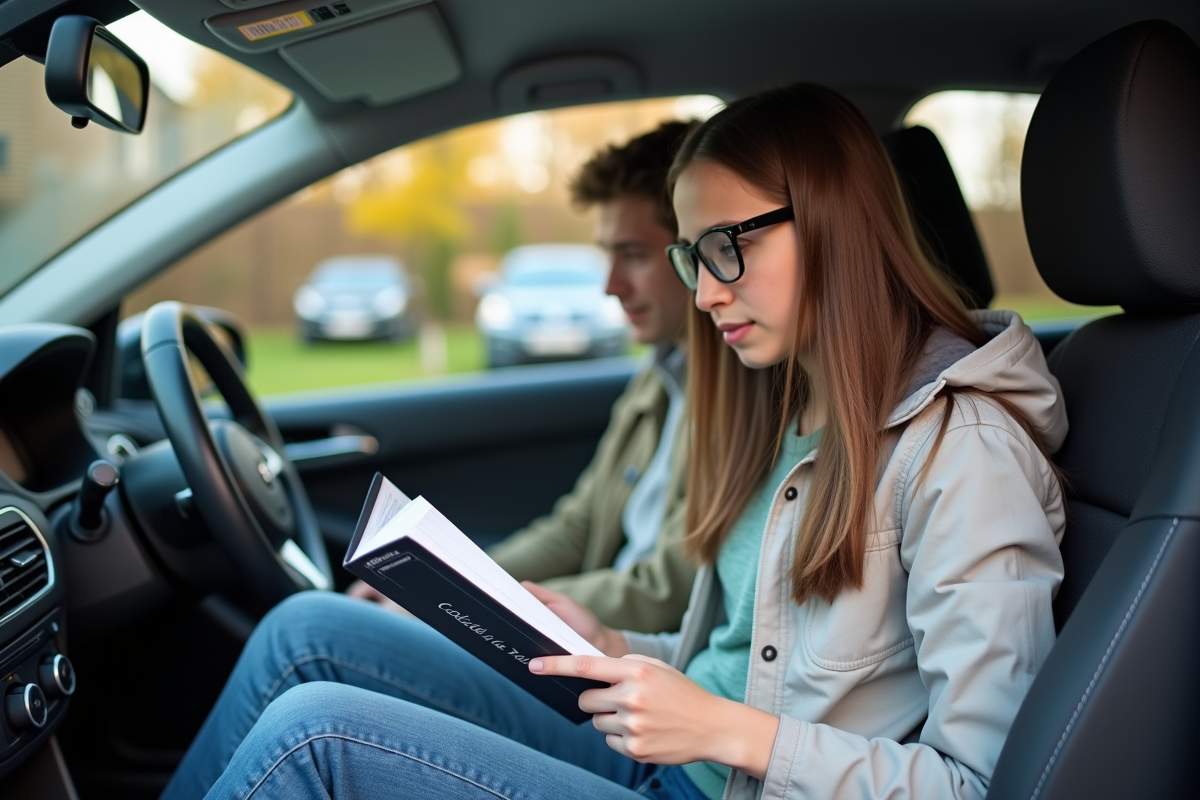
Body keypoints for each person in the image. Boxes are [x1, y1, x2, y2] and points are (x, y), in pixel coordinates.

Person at [163, 83, 1066, 800]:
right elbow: (751, 662)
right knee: (306, 630)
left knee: (315, 735)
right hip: (670, 759)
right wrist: (620, 644)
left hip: (723, 782)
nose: (705, 292)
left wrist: (723, 734)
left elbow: (983, 783)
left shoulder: (966, 451)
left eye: (725, 247)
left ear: (832, 222)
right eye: (688, 256)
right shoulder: (797, 411)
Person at [349, 120, 697, 633]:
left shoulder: (748, 400)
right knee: (321, 625)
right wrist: (447, 579)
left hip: (625, 661)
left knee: (309, 635)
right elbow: (576, 527)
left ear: (694, 251)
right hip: (589, 644)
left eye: (635, 255)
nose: (611, 285)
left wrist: (461, 603)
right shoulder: (661, 373)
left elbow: (662, 593)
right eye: (607, 253)